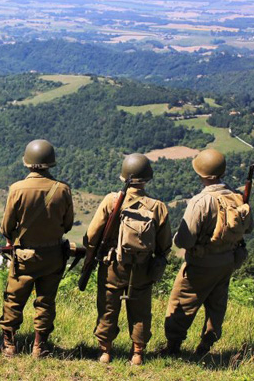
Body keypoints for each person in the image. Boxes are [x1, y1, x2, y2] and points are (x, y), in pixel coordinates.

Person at [162, 149, 253, 356]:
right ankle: (206, 345)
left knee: (181, 302)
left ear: (201, 173)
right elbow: (248, 228)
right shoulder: (238, 198)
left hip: (202, 264)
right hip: (227, 261)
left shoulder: (201, 202)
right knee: (217, 305)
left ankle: (173, 346)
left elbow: (184, 240)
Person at [84, 153, 171, 365]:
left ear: (124, 177)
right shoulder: (157, 206)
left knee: (108, 307)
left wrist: (92, 255)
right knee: (140, 310)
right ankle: (138, 353)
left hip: (112, 264)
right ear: (147, 178)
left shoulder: (112, 201)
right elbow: (165, 244)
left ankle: (105, 351)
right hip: (142, 267)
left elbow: (92, 235)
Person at [0, 139, 74, 358]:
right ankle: (39, 347)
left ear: (27, 162)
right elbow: (67, 225)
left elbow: (6, 226)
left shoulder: (17, 189)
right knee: (46, 302)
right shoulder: (62, 190)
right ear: (51, 163)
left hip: (24, 257)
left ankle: (10, 346)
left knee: (13, 300)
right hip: (53, 256)